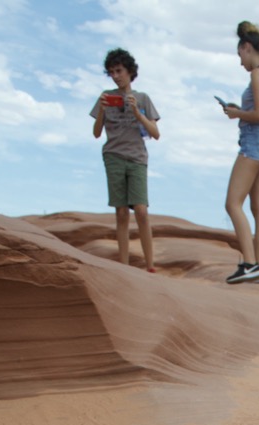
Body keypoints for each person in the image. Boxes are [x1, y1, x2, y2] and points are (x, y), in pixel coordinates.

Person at [220, 20, 259, 284]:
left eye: (240, 55)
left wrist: (236, 113)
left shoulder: (257, 74)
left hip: (255, 143)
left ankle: (248, 264)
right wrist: (243, 112)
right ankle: (257, 266)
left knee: (232, 203)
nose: (240, 62)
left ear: (247, 48)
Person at [91, 49, 160, 272]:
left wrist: (137, 113)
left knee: (141, 209)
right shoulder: (105, 96)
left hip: (137, 157)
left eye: (119, 71)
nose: (116, 76)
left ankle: (150, 264)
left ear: (130, 71)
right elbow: (96, 132)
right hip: (113, 155)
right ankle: (125, 266)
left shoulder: (142, 98)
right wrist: (101, 110)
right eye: (111, 72)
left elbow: (156, 133)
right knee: (121, 211)